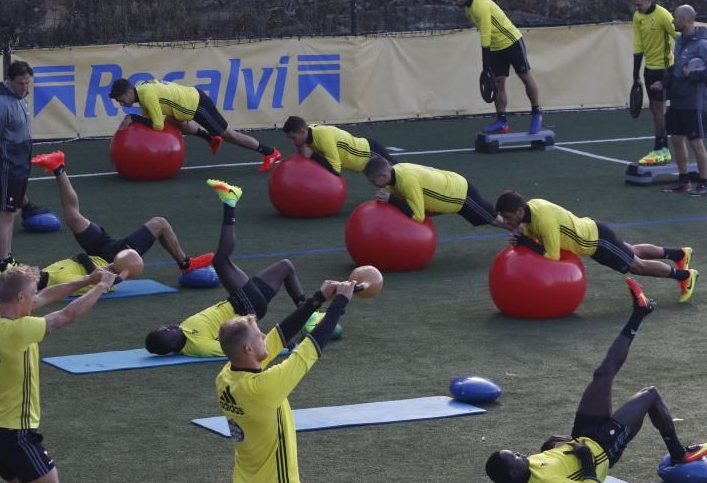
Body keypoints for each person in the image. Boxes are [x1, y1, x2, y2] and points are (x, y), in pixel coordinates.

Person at [485, 278, 707, 483]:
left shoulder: (523, 471)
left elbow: (554, 464)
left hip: (583, 434)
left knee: (602, 374)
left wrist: (549, 447)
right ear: (513, 471)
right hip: (602, 450)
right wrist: (586, 460)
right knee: (650, 394)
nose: (519, 453)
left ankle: (640, 311)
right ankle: (679, 454)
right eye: (514, 455)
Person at [0, 265, 116, 483]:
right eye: (30, 295)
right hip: (17, 435)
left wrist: (86, 279)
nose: (35, 299)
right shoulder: (19, 331)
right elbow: (68, 315)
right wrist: (101, 286)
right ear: (19, 298)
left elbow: (45, 297)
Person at [217, 278, 355, 483]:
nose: (264, 337)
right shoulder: (264, 388)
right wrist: (340, 303)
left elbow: (278, 336)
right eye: (258, 336)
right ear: (247, 349)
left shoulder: (225, 378)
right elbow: (311, 348)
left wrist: (317, 299)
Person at [145, 179, 306, 357]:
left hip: (241, 300)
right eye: (168, 331)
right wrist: (272, 343)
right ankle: (230, 203)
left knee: (285, 267)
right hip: (245, 308)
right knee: (220, 261)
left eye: (165, 326)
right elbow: (233, 349)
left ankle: (308, 313)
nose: (171, 326)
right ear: (173, 343)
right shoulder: (199, 346)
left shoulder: (183, 330)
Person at [31, 150, 214, 289]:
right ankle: (186, 264)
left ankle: (58, 167)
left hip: (99, 251)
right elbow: (100, 278)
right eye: (31, 276)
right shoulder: (60, 283)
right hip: (112, 260)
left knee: (73, 218)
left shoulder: (48, 271)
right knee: (160, 224)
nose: (32, 273)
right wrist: (121, 269)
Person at [495, 191, 697, 302]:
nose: (506, 221)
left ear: (520, 211)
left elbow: (551, 256)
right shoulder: (531, 211)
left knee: (637, 266)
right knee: (632, 251)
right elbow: (537, 242)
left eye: (508, 217)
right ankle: (679, 254)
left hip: (597, 243)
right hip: (595, 233)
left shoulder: (542, 219)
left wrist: (525, 242)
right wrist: (524, 239)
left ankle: (685, 276)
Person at [109, 78, 282, 172]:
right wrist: (136, 118)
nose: (121, 103)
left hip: (197, 104)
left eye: (121, 99)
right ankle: (210, 138)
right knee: (176, 123)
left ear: (129, 92)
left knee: (230, 135)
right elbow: (152, 123)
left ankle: (270, 152)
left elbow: (157, 127)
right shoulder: (141, 92)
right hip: (188, 103)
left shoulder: (146, 94)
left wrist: (133, 118)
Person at [447, 0, 543, 134]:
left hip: (512, 42)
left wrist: (485, 64)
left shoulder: (481, 4)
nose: (454, 3)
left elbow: (486, 33)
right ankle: (501, 121)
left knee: (525, 76)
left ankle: (537, 114)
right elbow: (485, 35)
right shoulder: (468, 10)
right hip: (495, 48)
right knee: (498, 84)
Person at [0, 61, 49, 275]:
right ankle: (4, 264)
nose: (25, 88)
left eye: (27, 83)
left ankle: (8, 260)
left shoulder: (20, 99)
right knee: (4, 214)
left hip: (20, 162)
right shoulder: (1, 103)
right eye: (21, 84)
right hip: (7, 164)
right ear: (9, 81)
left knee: (11, 213)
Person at [653, 5, 707, 195]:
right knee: (676, 139)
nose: (673, 21)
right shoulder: (679, 41)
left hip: (694, 102)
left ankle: (704, 182)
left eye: (675, 18)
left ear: (686, 20)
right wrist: (663, 82)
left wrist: (693, 75)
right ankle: (683, 181)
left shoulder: (702, 45)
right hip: (677, 100)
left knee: (696, 143)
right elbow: (675, 69)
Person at [362, 156, 504, 227]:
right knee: (489, 220)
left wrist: (391, 200)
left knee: (494, 219)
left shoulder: (407, 181)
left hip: (459, 193)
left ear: (384, 176)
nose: (373, 184)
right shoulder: (396, 171)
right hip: (452, 188)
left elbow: (418, 216)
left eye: (374, 181)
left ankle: (520, 233)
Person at [630, 0, 676, 167]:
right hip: (649, 70)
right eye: (635, 5)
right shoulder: (637, 16)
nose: (637, 8)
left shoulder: (663, 15)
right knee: (656, 110)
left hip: (665, 69)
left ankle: (661, 148)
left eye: (640, 4)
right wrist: (635, 74)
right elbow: (638, 44)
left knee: (659, 110)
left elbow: (678, 35)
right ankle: (662, 148)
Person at [281, 116, 395, 177]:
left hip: (368, 151)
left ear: (302, 132)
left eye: (293, 138)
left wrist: (313, 155)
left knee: (398, 172)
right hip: (360, 163)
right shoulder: (307, 134)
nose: (292, 142)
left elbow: (336, 170)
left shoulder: (323, 137)